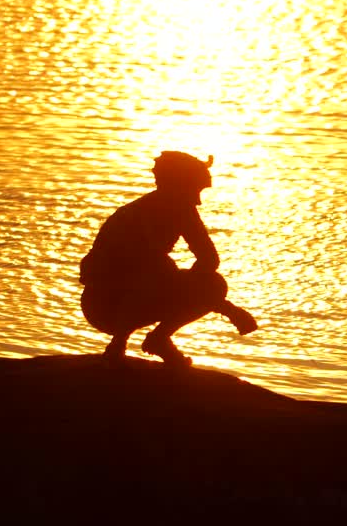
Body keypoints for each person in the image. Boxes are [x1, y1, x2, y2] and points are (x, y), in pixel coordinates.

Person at [80, 151, 258, 367]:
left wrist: (202, 293)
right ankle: (120, 342)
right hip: (105, 307)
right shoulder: (134, 216)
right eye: (196, 190)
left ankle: (158, 339)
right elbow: (137, 274)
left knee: (211, 284)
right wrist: (225, 308)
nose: (199, 200)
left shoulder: (183, 210)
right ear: (179, 186)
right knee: (157, 276)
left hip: (137, 295)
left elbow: (209, 259)